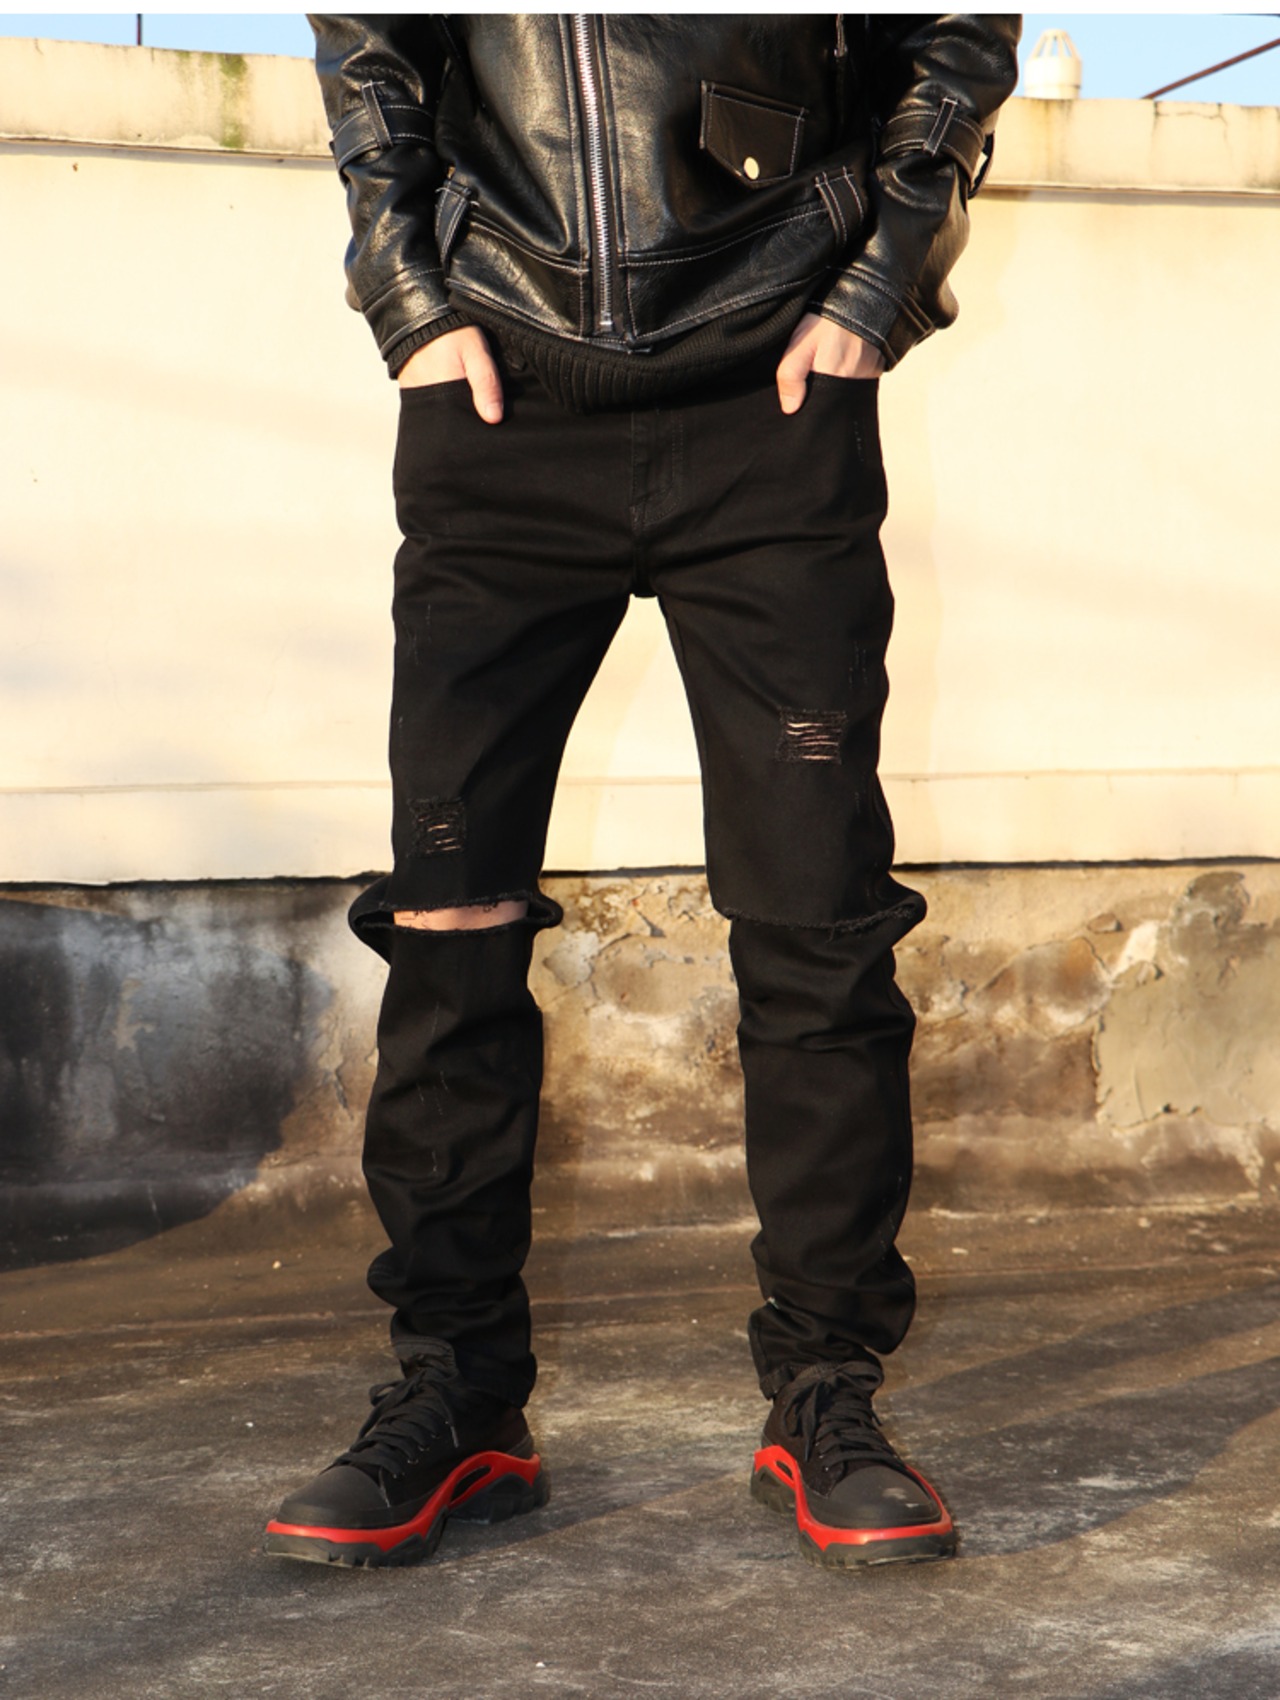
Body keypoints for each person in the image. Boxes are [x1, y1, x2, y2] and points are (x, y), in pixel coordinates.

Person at [266, 13, 1021, 1571]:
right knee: (452, 916)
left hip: (776, 394)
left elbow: (955, 36)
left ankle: (824, 1389)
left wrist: (878, 288)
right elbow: (372, 53)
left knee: (817, 918)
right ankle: (460, 1390)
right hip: (498, 398)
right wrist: (408, 300)